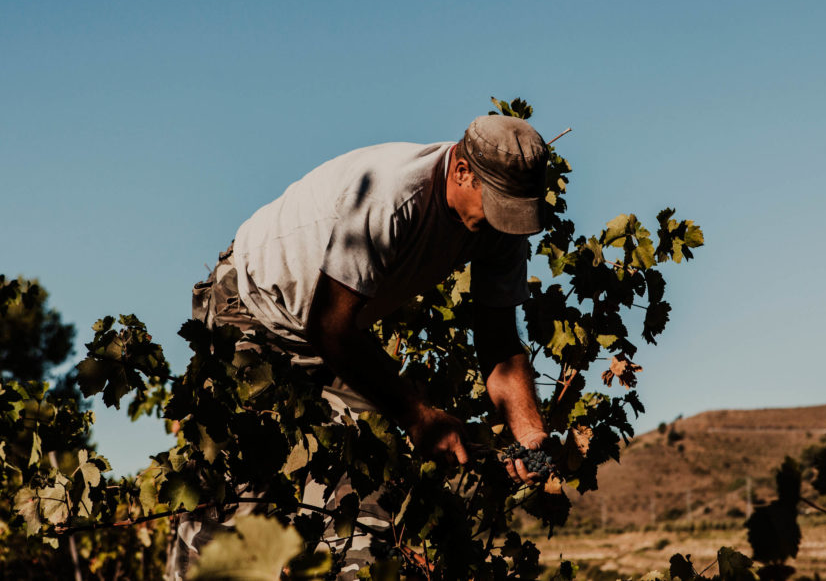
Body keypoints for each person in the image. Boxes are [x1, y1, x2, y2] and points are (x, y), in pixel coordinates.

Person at [168, 114, 551, 579]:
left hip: (331, 332)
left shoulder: (497, 230)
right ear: (462, 171)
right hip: (251, 308)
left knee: (367, 494)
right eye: (498, 205)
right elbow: (330, 328)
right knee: (231, 504)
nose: (503, 222)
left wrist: (529, 434)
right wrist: (419, 415)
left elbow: (501, 344)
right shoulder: (391, 195)